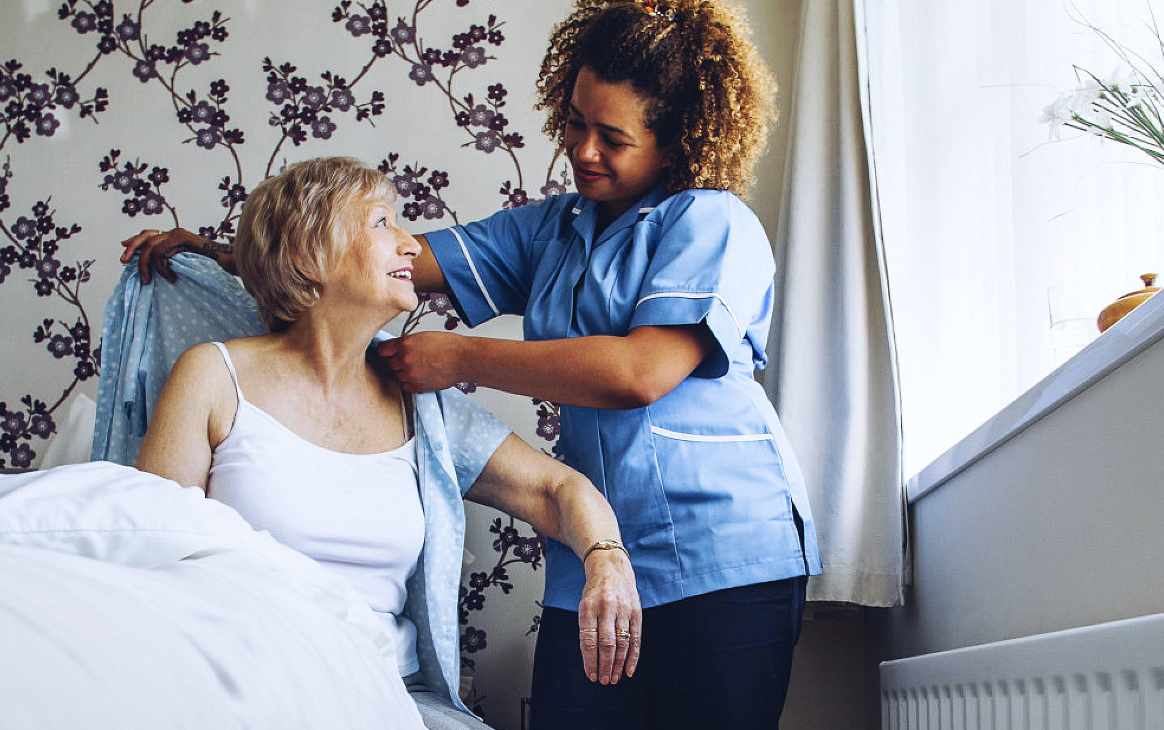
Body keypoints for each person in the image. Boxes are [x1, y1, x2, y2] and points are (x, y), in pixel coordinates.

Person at [123, 2, 820, 725]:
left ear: (674, 141)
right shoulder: (551, 231)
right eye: (576, 123)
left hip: (722, 549)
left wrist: (457, 356)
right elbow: (378, 256)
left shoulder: (713, 223)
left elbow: (638, 373)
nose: (582, 150)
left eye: (612, 137)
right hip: (590, 556)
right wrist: (234, 253)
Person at [132, 156, 643, 730]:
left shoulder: (420, 407)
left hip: (387, 694)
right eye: (382, 223)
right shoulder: (212, 376)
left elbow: (557, 489)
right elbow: (148, 552)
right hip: (243, 683)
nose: (409, 246)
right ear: (308, 253)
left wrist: (606, 559)